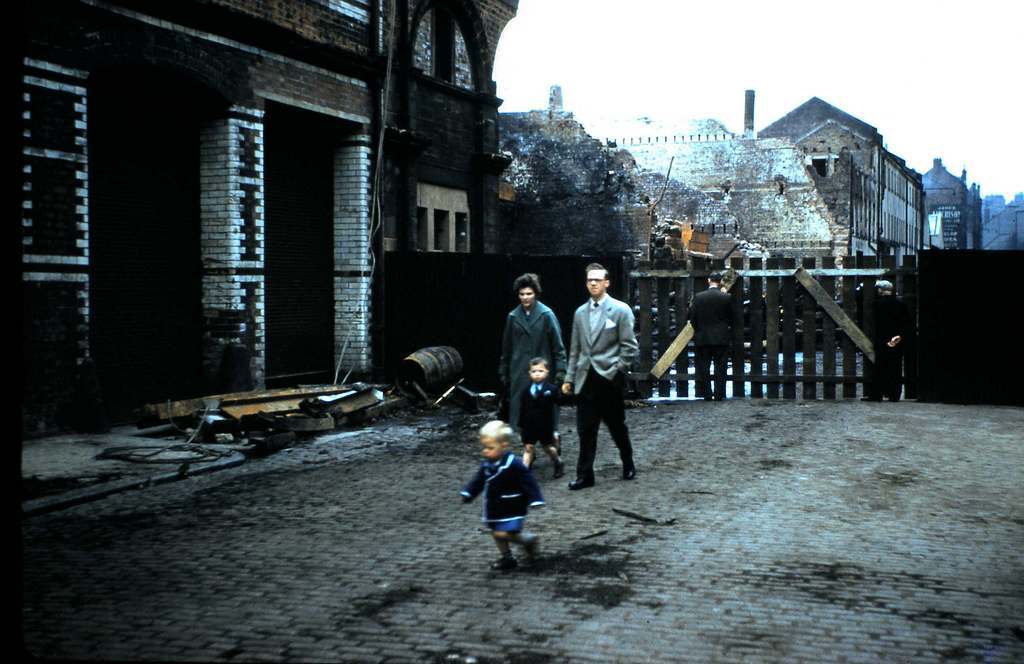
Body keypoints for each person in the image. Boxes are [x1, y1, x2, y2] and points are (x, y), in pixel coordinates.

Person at [562, 263, 639, 490]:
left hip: (609, 379)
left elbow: (629, 346)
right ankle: (585, 475)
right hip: (586, 379)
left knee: (617, 426)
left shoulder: (620, 310)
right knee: (585, 429)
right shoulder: (580, 313)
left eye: (597, 280)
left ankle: (628, 462)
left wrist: (618, 370)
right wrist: (569, 379)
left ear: (607, 282)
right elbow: (575, 350)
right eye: (589, 280)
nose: (593, 283)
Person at [460, 420, 545, 571]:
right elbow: (479, 480)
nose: (485, 451)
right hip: (494, 506)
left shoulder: (514, 464)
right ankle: (507, 557)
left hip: (512, 506)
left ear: (504, 445)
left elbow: (529, 481)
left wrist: (535, 498)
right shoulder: (488, 463)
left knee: (502, 532)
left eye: (490, 448)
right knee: (496, 532)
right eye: (484, 447)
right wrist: (469, 492)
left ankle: (528, 540)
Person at [499, 273, 567, 451]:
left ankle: (553, 441)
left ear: (535, 293)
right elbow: (507, 348)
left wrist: (561, 371)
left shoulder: (546, 315)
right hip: (520, 372)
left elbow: (558, 346)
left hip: (542, 372)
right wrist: (504, 371)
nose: (525, 298)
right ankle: (529, 449)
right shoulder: (513, 317)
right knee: (522, 413)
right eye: (521, 294)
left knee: (545, 413)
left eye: (528, 294)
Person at [688, 271, 734, 401]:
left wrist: (699, 330)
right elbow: (732, 318)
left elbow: (693, 319)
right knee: (721, 367)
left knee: (704, 367)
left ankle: (707, 394)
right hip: (721, 337)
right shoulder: (726, 297)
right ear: (720, 282)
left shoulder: (699, 297)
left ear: (709, 281)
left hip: (703, 337)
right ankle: (719, 394)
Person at [517, 357, 565, 478]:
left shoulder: (551, 389)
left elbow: (560, 402)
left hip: (545, 425)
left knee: (549, 448)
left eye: (540, 371)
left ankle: (558, 462)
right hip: (529, 425)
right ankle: (524, 472)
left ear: (547, 372)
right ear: (529, 373)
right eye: (534, 371)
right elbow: (522, 409)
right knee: (528, 448)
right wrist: (520, 424)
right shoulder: (526, 391)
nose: (537, 374)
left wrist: (565, 394)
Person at [868, 280, 914, 402]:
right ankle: (894, 395)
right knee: (896, 366)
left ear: (880, 290)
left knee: (880, 367)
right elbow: (907, 324)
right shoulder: (901, 304)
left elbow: (873, 324)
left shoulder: (877, 304)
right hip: (896, 340)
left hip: (882, 339)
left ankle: (876, 395)